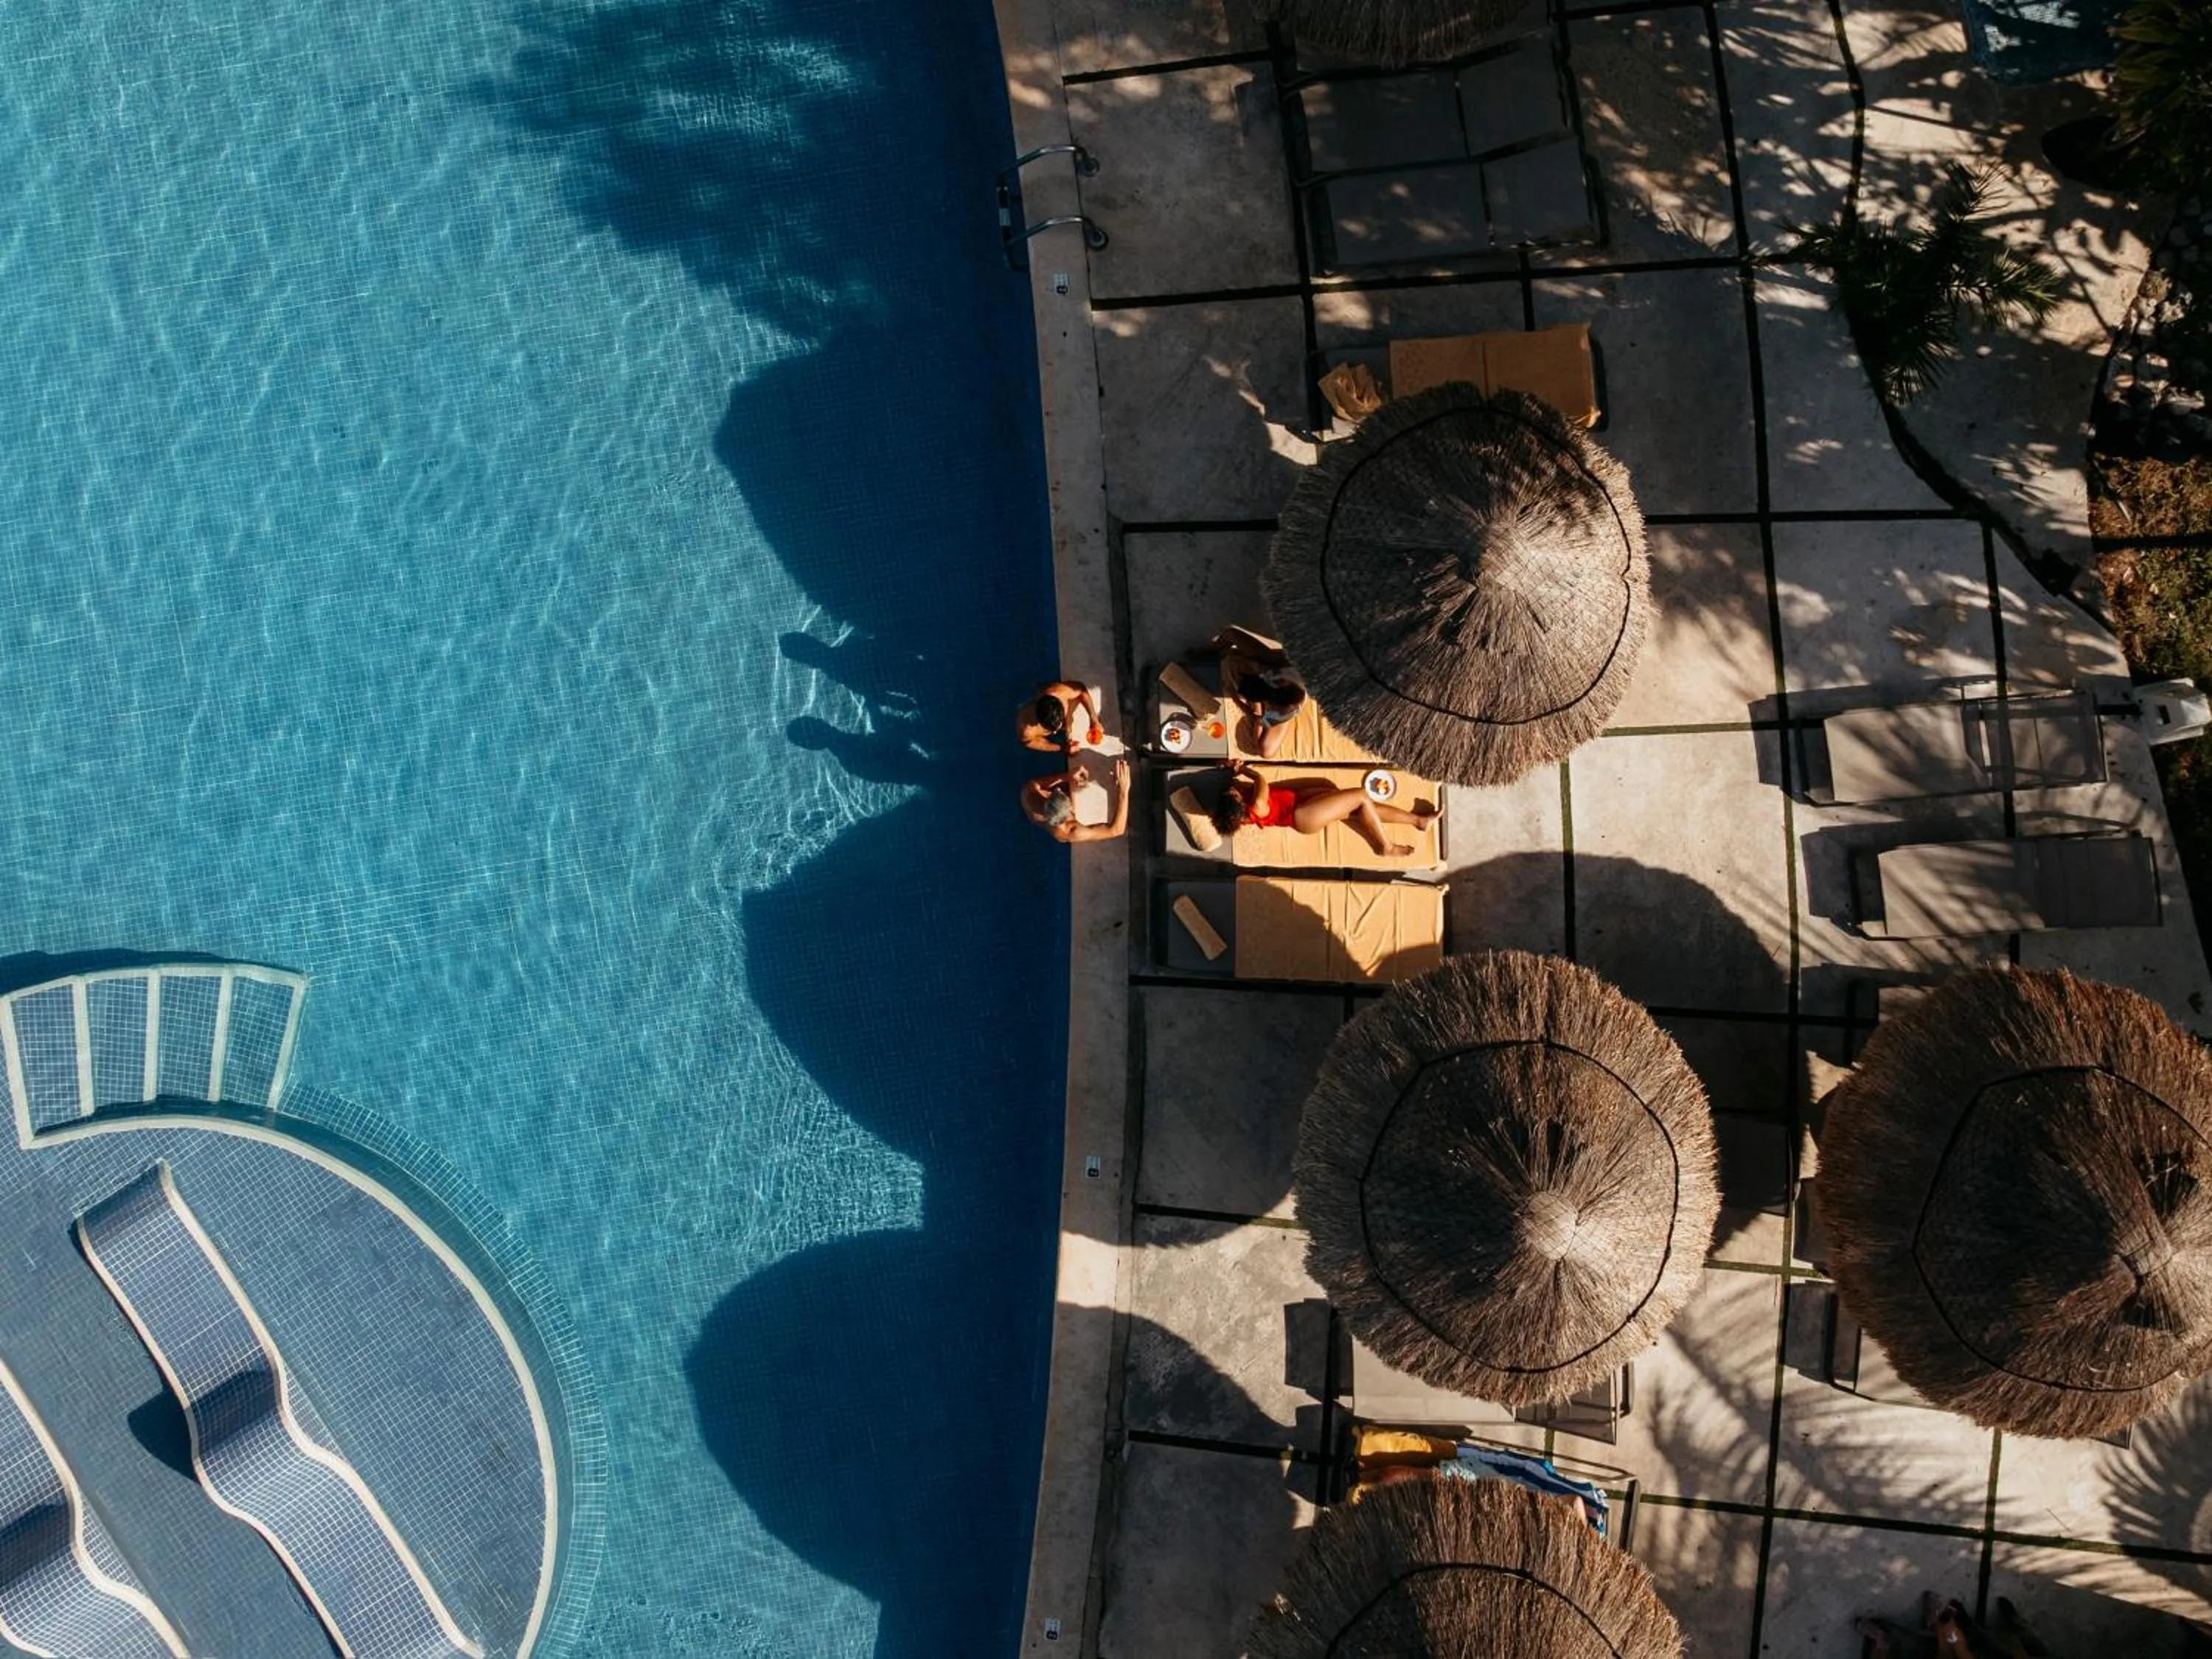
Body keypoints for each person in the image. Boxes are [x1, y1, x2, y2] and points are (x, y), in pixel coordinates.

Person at [1209, 762, 1433, 857]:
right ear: (1239, 804)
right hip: (1303, 815)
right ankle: (1386, 847)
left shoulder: (1237, 812)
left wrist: (1229, 769)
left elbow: (1230, 793)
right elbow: (1260, 779)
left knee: (1360, 810)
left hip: (1300, 803)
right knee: (1362, 796)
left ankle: (1418, 821)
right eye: (1234, 794)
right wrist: (1242, 768)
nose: (1234, 789)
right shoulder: (1257, 806)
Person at [1207, 625, 1307, 759]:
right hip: (1274, 665)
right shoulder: (1272, 667)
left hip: (1278, 697)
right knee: (1231, 636)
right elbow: (1237, 656)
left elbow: (1259, 722)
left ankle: (1257, 705)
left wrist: (1246, 708)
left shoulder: (1279, 714)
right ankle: (1211, 652)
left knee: (1266, 752)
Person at [1021, 757, 1129, 843]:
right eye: (1064, 795)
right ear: (1070, 809)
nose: (1058, 788)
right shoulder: (1071, 832)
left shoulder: (1029, 794)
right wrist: (1124, 790)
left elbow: (1035, 784)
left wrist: (1067, 776)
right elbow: (1116, 830)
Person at [1017, 681, 1105, 752]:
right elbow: (1029, 742)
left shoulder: (1059, 692)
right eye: (1050, 730)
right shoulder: (1027, 730)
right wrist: (1062, 748)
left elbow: (1081, 689)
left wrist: (1094, 720)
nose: (1055, 732)